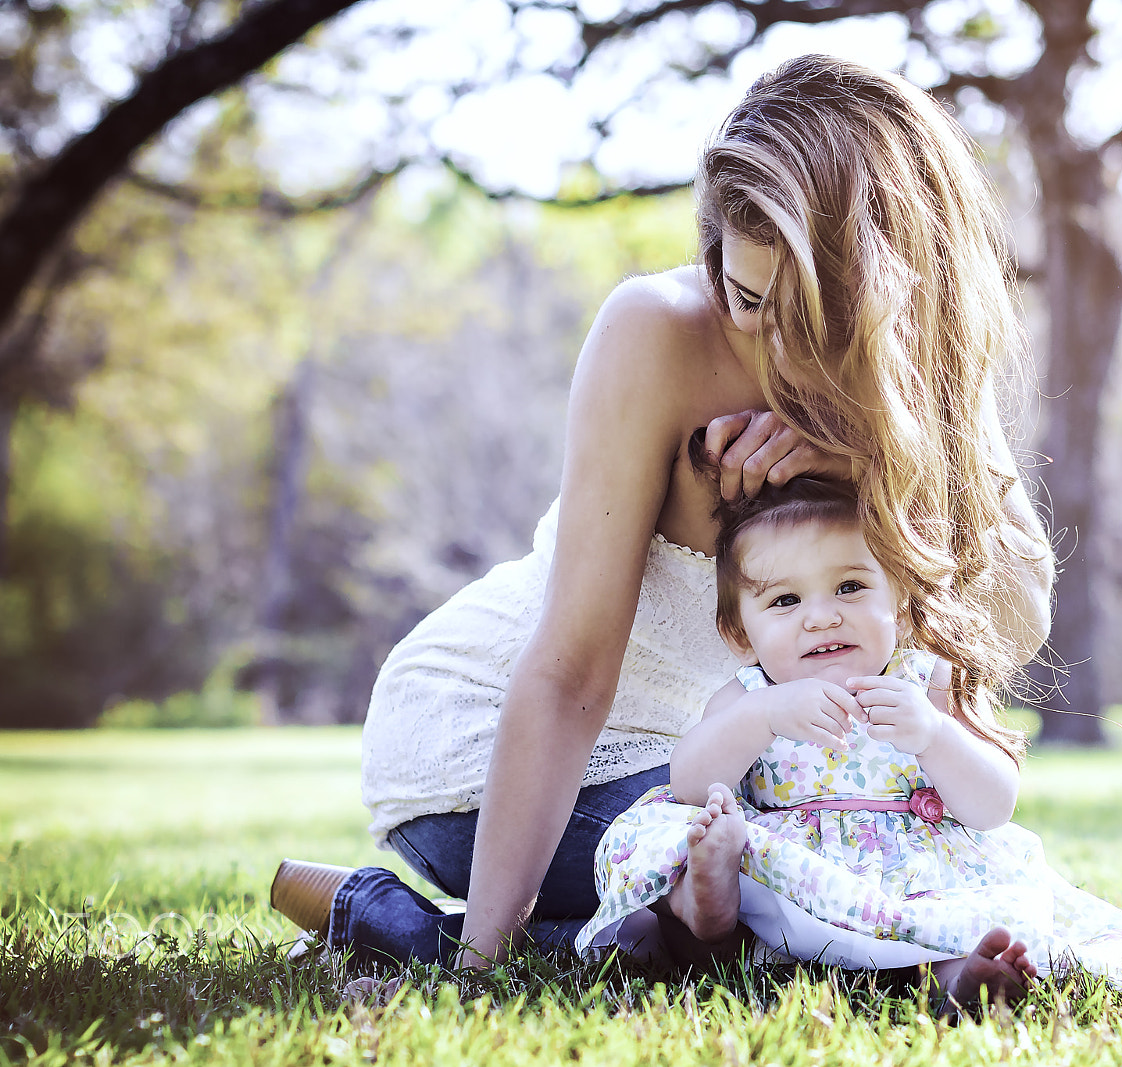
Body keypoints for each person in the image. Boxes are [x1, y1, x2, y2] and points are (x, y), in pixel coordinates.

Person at [268, 53, 1056, 970]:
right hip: (493, 748)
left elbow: (1017, 620)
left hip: (719, 750)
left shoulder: (919, 367)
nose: (770, 340)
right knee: (791, 871)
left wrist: (875, 462)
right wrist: (485, 964)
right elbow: (568, 673)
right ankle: (440, 935)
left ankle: (396, 927)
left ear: (891, 285)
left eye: (811, 312)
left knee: (848, 860)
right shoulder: (658, 331)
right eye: (748, 294)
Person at [573, 475, 1122, 1006]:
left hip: (913, 883)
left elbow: (994, 805)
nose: (822, 617)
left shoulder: (922, 681)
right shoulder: (750, 693)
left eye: (849, 587)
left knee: (944, 936)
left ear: (898, 607)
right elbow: (690, 783)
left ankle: (964, 979)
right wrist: (764, 714)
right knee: (698, 854)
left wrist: (934, 736)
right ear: (739, 633)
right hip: (787, 875)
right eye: (785, 600)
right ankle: (707, 912)